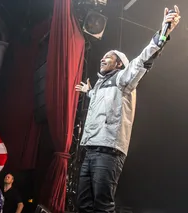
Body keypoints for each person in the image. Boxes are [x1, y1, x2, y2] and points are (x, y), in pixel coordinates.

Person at [75, 6, 180, 213]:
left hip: (108, 152)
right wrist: (88, 91)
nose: (102, 58)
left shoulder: (123, 79)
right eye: (103, 56)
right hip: (90, 150)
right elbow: (97, 98)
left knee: (102, 206)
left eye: (108, 56)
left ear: (119, 64)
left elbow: (142, 60)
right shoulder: (99, 85)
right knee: (83, 205)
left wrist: (163, 34)